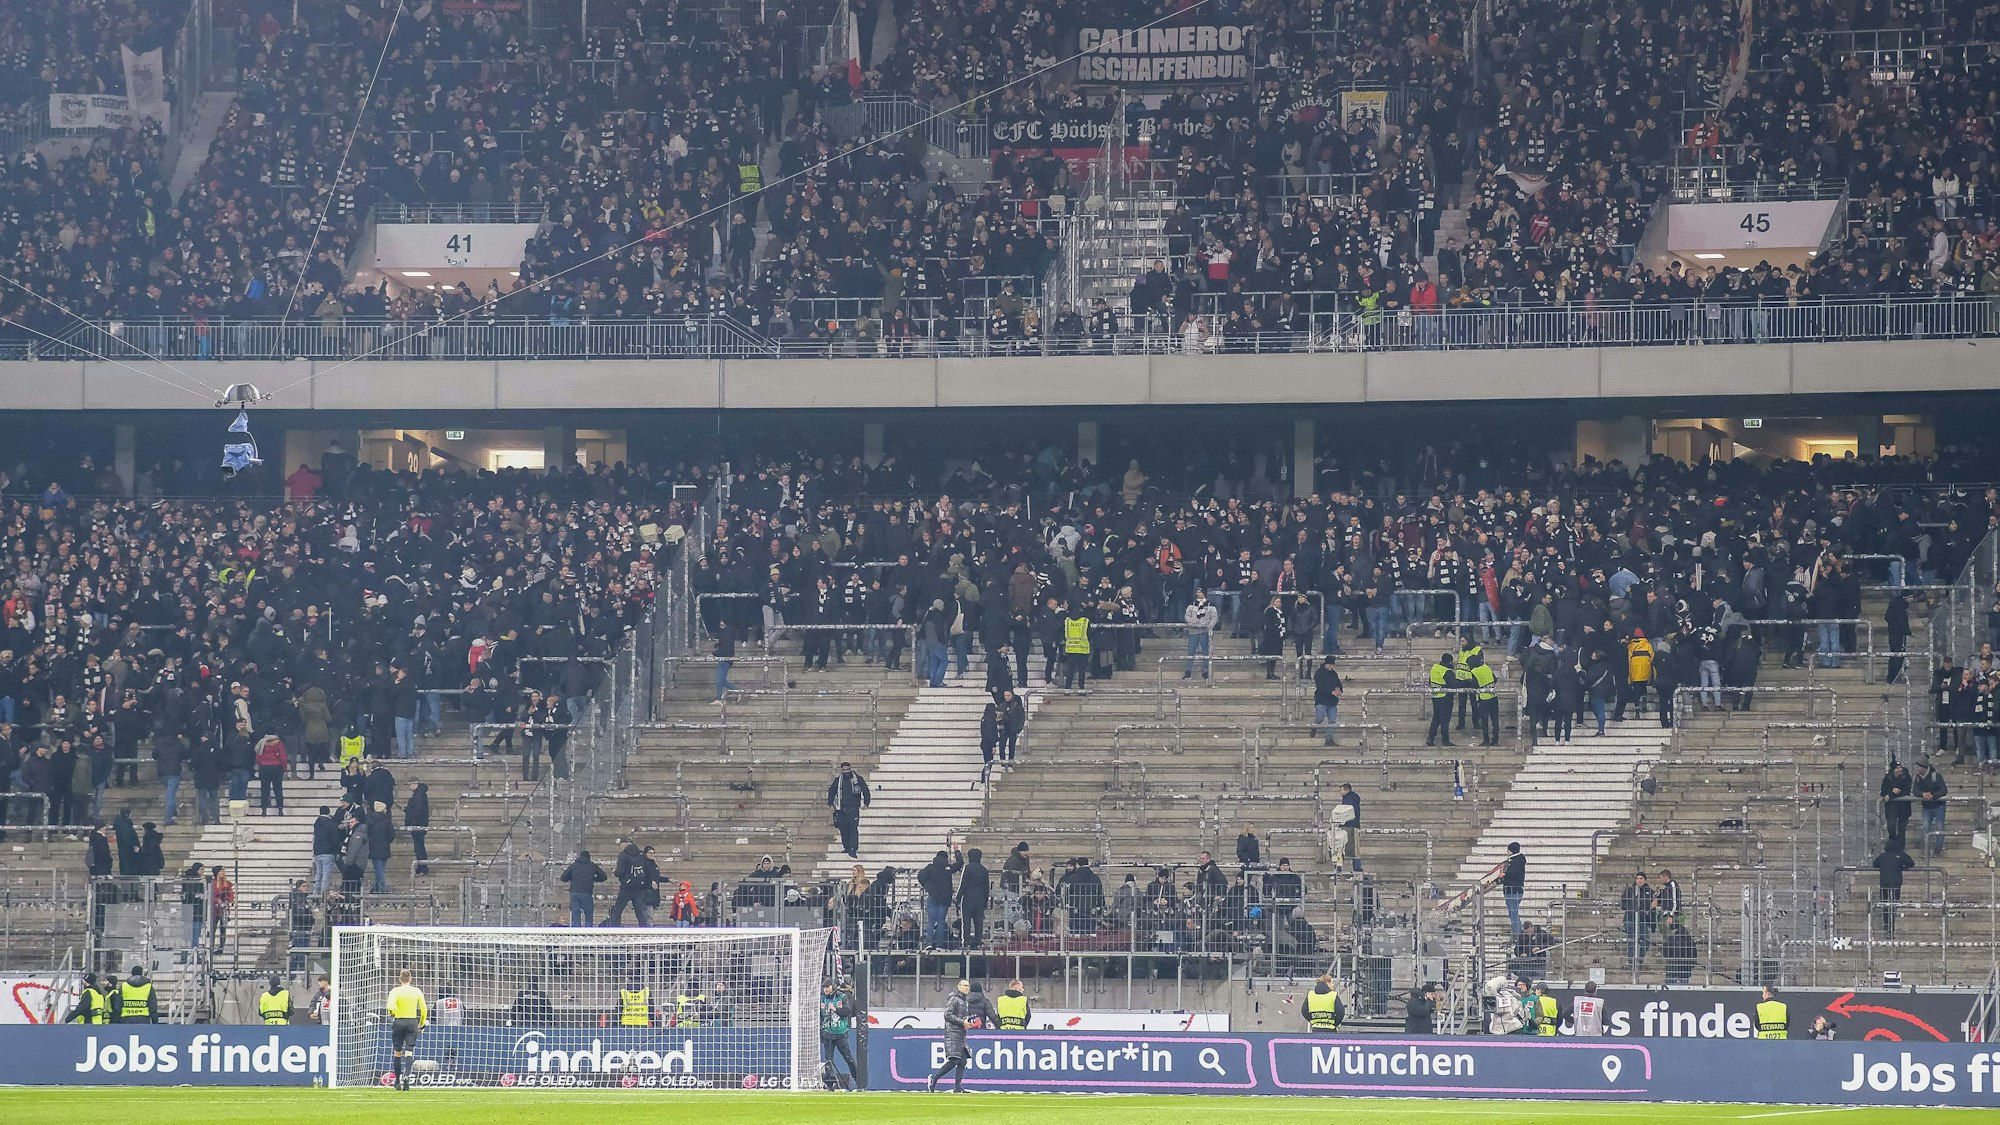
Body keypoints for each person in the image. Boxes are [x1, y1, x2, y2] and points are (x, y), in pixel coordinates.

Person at [928, 979, 975, 1092]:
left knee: (962, 1061)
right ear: (959, 986)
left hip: (960, 1034)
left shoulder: (965, 1001)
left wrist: (967, 1022)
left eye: (968, 986)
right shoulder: (955, 999)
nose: (966, 988)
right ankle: (934, 1079)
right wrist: (962, 1022)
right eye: (964, 985)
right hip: (953, 1033)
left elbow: (959, 1017)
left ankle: (957, 1087)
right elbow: (947, 1014)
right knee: (954, 1060)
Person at [387, 968, 428, 1090]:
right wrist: (421, 1023)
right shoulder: (416, 991)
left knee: (397, 1052)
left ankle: (398, 1081)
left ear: (400, 979)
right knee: (409, 1051)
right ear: (410, 979)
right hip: (411, 1021)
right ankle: (407, 1076)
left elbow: (390, 1006)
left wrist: (393, 1013)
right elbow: (424, 1009)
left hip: (399, 1021)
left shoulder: (395, 991)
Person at [827, 762, 871, 859]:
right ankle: (846, 847)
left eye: (847, 769)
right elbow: (832, 791)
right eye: (844, 770)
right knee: (843, 829)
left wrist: (866, 803)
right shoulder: (838, 780)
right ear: (841, 770)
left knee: (853, 829)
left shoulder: (858, 779)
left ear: (850, 769)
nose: (846, 771)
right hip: (841, 809)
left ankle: (853, 849)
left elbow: (865, 790)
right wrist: (830, 804)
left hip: (853, 808)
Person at [819, 979, 858, 1090]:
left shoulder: (842, 997)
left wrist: (835, 1009)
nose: (826, 989)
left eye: (828, 987)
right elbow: (820, 1016)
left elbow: (847, 1012)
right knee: (828, 1061)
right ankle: (829, 1085)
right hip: (827, 1034)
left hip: (840, 1033)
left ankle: (858, 1081)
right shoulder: (822, 999)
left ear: (833, 986)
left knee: (848, 1058)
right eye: (824, 987)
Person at [1872, 841, 1915, 935]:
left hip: (1884, 883)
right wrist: (1902, 866)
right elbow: (1911, 863)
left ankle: (1886, 922)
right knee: (1894, 902)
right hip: (1896, 883)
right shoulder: (1900, 855)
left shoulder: (1883, 856)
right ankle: (1892, 922)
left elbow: (1874, 864)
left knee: (1885, 902)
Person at [561, 849, 606, 927]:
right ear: (589, 858)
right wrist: (594, 879)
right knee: (588, 914)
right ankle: (588, 933)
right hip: (587, 893)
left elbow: (563, 877)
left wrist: (571, 878)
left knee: (576, 913)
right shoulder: (592, 865)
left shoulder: (574, 865)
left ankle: (576, 933)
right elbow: (604, 877)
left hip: (575, 893)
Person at [1620, 872, 1655, 965]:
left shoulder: (1650, 891)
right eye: (1638, 878)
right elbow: (1622, 903)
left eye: (1641, 878)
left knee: (1645, 941)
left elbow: (1654, 904)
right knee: (1631, 941)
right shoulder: (1629, 890)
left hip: (1643, 920)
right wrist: (1631, 908)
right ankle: (1631, 961)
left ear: (1645, 880)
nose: (1639, 880)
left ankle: (1639, 960)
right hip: (1630, 918)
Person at [1184, 590, 1218, 679]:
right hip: (1193, 631)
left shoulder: (1210, 604)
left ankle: (1205, 671)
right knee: (1191, 651)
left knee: (1205, 652)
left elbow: (1214, 617)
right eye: (1197, 592)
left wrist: (1209, 626)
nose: (1198, 594)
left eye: (1200, 592)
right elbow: (1187, 615)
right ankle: (1188, 671)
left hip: (1204, 631)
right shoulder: (1192, 604)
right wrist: (1193, 622)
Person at [1312, 655, 1343, 745]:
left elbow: (1338, 683)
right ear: (1326, 664)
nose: (1332, 666)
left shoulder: (1334, 674)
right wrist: (1331, 692)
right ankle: (1313, 726)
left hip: (1332, 702)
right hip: (1321, 700)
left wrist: (1339, 690)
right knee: (1319, 718)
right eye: (1331, 664)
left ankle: (1329, 739)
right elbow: (1321, 687)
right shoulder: (1319, 673)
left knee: (1332, 721)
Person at [1426, 651, 1454, 746]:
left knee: (1436, 718)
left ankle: (1431, 737)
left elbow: (1430, 681)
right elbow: (1453, 685)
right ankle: (1445, 740)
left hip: (1435, 697)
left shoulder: (1434, 668)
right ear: (1449, 662)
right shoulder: (1447, 672)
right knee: (1445, 720)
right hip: (1445, 697)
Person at [1660, 913, 1698, 985]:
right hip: (1685, 971)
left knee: (1670, 990)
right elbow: (1694, 957)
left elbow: (1665, 953)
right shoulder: (1690, 941)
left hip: (1672, 970)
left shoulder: (1671, 939)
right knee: (1682, 990)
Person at [1500, 843, 1526, 937]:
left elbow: (1512, 874)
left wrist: (1504, 875)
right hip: (1516, 890)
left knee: (1513, 913)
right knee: (1513, 912)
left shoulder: (1515, 861)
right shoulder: (1518, 860)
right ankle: (1517, 931)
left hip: (1512, 891)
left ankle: (1518, 934)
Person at [405, 783, 430, 876]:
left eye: (410, 785)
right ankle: (422, 867)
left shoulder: (418, 795)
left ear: (414, 784)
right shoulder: (419, 794)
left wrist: (412, 821)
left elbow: (417, 811)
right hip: (419, 824)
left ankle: (423, 868)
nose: (409, 787)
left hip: (418, 825)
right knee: (419, 847)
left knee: (419, 848)